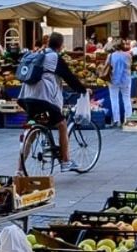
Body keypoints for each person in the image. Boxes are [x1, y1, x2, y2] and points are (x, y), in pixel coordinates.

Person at [18, 31, 87, 165]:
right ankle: (66, 161)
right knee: (62, 124)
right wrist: (83, 90)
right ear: (61, 46)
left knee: (31, 129)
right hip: (44, 98)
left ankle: (19, 170)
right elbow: (70, 78)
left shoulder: (38, 54)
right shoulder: (55, 58)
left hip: (26, 97)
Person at [107, 37, 134, 127]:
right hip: (126, 79)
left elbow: (107, 66)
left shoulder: (111, 56)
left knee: (114, 100)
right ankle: (128, 119)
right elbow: (130, 66)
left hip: (113, 80)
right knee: (126, 99)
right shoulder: (128, 55)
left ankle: (116, 120)